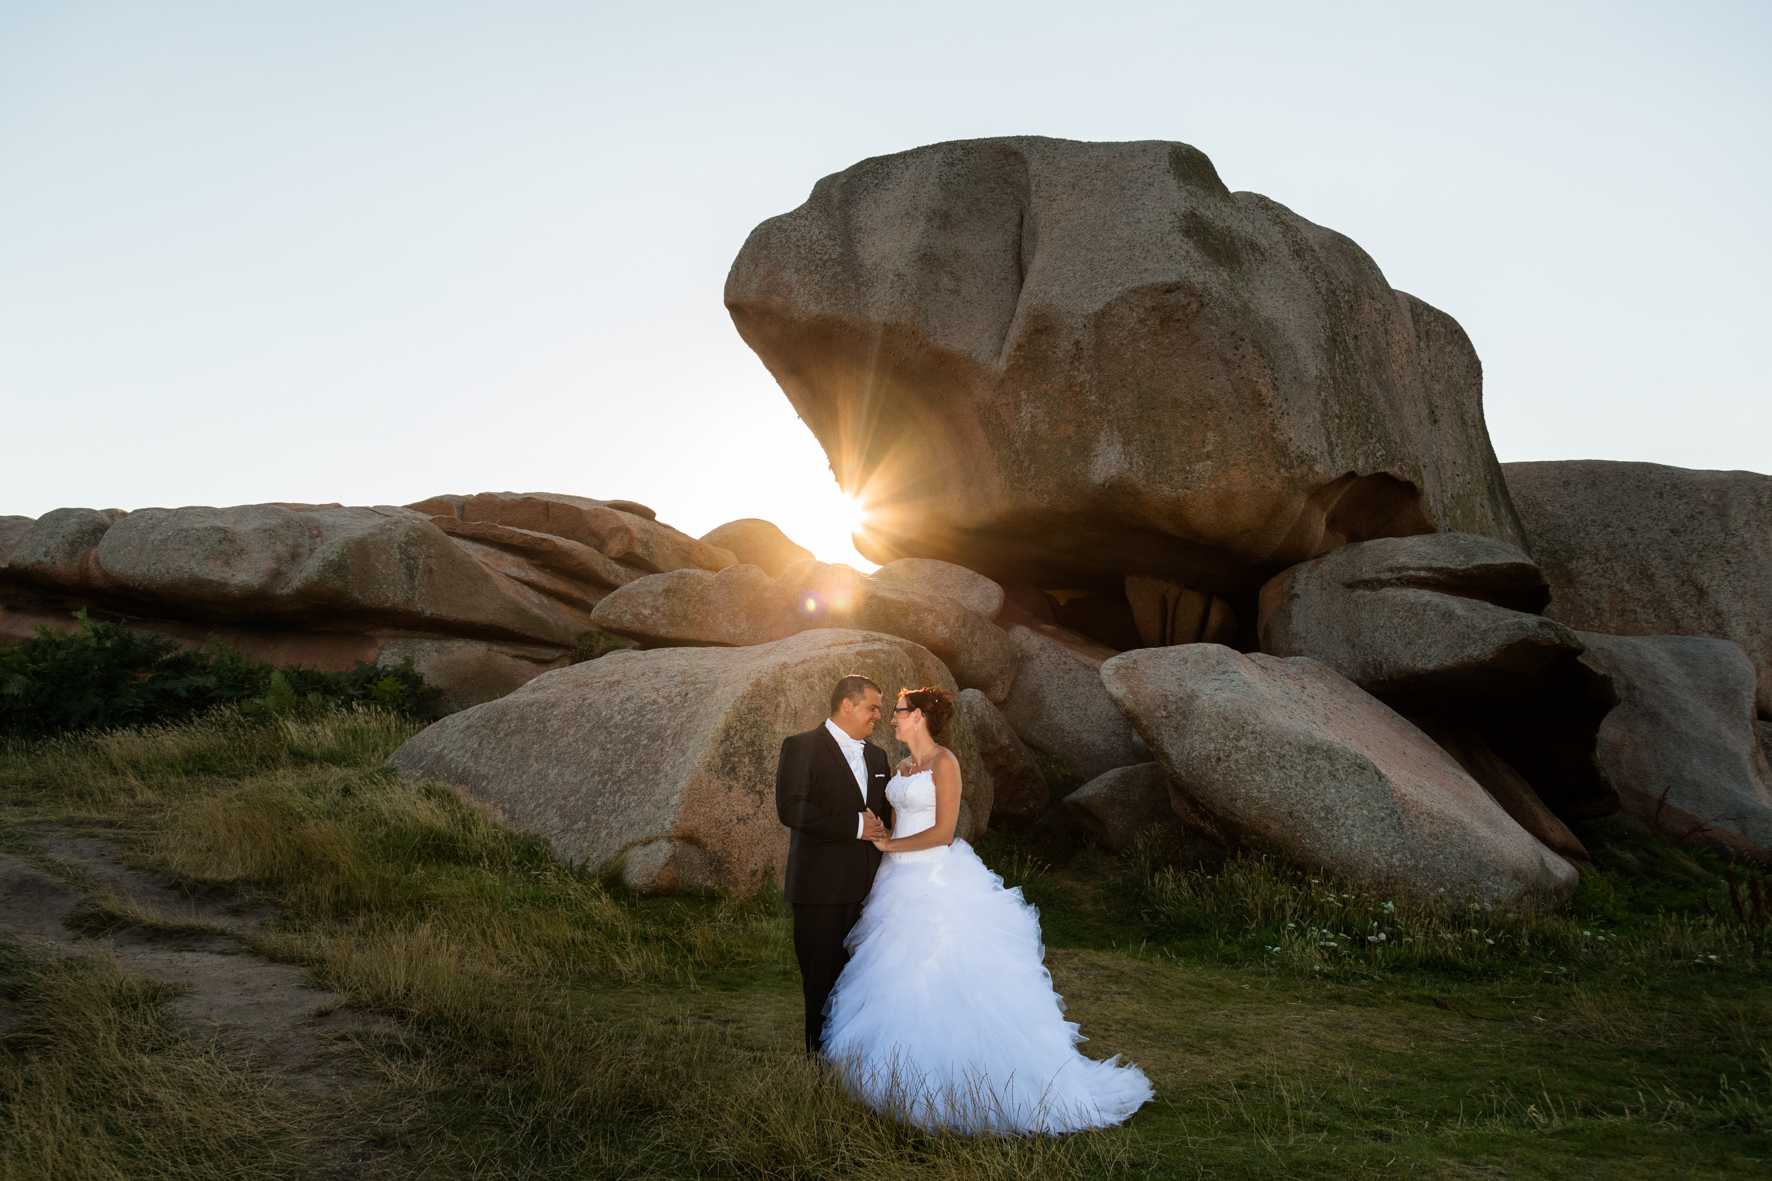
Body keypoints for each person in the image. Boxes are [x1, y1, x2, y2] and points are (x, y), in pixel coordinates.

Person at [820, 685, 1153, 1135]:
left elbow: (942, 833)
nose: (891, 718)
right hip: (896, 879)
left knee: (944, 969)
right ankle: (900, 1075)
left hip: (935, 876)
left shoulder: (945, 763)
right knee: (895, 974)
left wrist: (889, 843)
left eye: (898, 710)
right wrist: (882, 833)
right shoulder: (901, 767)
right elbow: (900, 821)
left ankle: (972, 1086)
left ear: (918, 715)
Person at [774, 673, 893, 1056]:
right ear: (847, 705)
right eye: (873, 707)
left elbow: (885, 819)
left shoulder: (878, 757)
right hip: (819, 891)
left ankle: (857, 1069)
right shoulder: (801, 746)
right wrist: (856, 825)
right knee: (821, 983)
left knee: (861, 984)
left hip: (870, 894)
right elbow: (791, 809)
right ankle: (822, 1075)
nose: (878, 715)